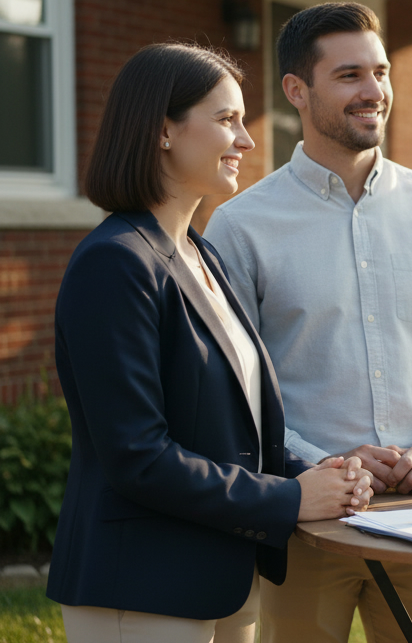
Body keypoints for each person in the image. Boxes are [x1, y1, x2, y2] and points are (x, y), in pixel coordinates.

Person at [47, 43, 374, 643]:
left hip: (222, 576)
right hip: (141, 586)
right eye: (227, 120)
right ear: (163, 130)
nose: (247, 141)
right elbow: (137, 455)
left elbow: (232, 425)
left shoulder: (203, 254)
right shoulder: (114, 264)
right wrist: (287, 500)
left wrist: (320, 472)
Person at [205, 2, 412, 643]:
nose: (374, 92)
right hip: (310, 524)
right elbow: (234, 391)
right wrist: (324, 465)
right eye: (349, 76)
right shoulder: (241, 226)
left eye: (382, 72)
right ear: (296, 90)